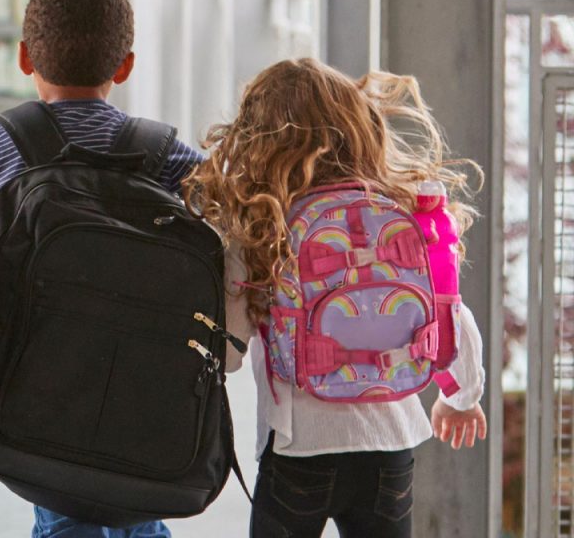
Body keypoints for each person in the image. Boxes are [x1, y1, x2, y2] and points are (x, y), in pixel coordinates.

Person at [187, 59, 488, 538]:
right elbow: (452, 314)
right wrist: (462, 396)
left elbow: (229, 350)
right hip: (390, 443)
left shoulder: (266, 226)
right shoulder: (404, 211)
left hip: (298, 450)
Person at [0, 0, 200, 538]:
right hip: (145, 372)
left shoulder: (3, 141)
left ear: (24, 58)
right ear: (124, 66)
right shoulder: (163, 151)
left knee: (63, 505)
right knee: (137, 501)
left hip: (41, 373)